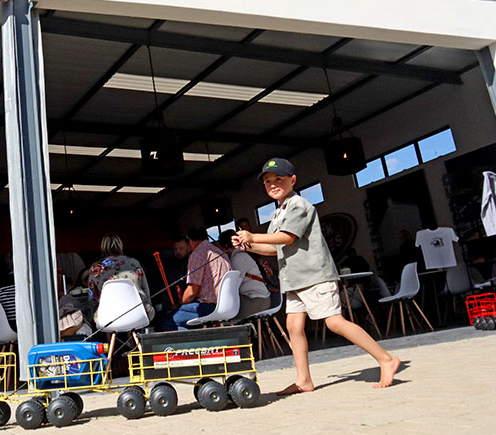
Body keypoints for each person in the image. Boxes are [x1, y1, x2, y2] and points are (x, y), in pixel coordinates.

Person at [235, 158, 400, 391]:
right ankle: (304, 380)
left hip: (314, 276)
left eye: (278, 179)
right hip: (294, 280)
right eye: (268, 181)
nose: (272, 184)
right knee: (293, 326)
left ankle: (386, 358)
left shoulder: (299, 205)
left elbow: (287, 237)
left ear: (293, 180)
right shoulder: (279, 213)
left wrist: (253, 236)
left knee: (335, 322)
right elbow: (274, 247)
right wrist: (248, 246)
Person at [171, 226, 232, 330]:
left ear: (190, 241)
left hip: (209, 306)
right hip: (227, 304)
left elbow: (191, 292)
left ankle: (193, 341)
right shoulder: (220, 252)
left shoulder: (197, 255)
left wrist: (180, 304)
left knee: (168, 322)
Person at [87, 233, 155, 322]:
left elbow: (92, 299)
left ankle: (110, 331)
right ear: (120, 246)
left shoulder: (95, 268)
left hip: (109, 316)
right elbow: (145, 289)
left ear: (103, 247)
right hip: (137, 313)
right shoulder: (134, 263)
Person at [216, 229, 272, 320]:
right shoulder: (243, 255)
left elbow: (233, 287)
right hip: (261, 299)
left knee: (224, 311)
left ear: (225, 246)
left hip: (256, 301)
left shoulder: (238, 258)